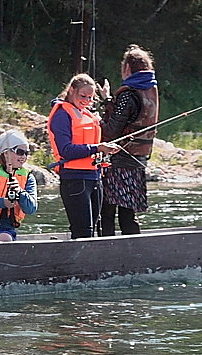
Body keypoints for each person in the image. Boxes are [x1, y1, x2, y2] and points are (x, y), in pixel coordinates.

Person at [47, 74, 121, 239]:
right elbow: (66, 150)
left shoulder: (87, 114)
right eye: (83, 96)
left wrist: (104, 149)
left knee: (93, 228)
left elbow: (110, 128)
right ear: (72, 90)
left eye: (90, 97)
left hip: (94, 177)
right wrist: (98, 147)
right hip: (74, 179)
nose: (86, 101)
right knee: (83, 231)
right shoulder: (61, 115)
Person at [98, 45, 159, 236]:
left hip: (119, 162)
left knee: (107, 211)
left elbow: (111, 130)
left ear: (127, 68)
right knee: (128, 212)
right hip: (138, 161)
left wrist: (94, 120)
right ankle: (133, 254)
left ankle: (104, 250)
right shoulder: (150, 90)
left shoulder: (128, 94)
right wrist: (108, 100)